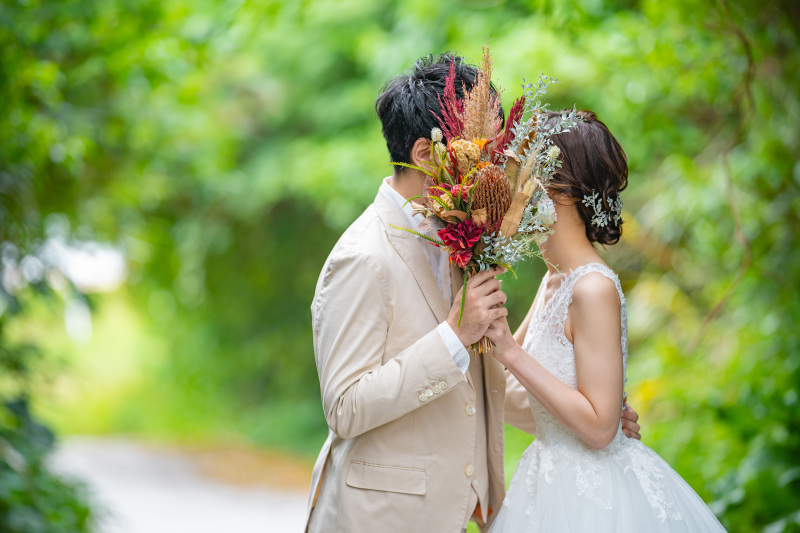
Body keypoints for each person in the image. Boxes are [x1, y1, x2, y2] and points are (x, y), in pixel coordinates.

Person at [304, 56, 641, 533]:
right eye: (482, 149)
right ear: (427, 154)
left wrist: (592, 424)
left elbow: (485, 390)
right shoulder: (363, 257)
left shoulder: (463, 237)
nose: (496, 164)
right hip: (382, 519)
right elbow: (344, 408)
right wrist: (451, 336)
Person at [485, 110, 726, 532]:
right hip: (546, 484)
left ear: (560, 191)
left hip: (593, 501)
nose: (511, 190)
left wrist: (509, 351)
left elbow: (599, 429)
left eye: (523, 176)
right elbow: (500, 385)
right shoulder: (553, 278)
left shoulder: (593, 288)